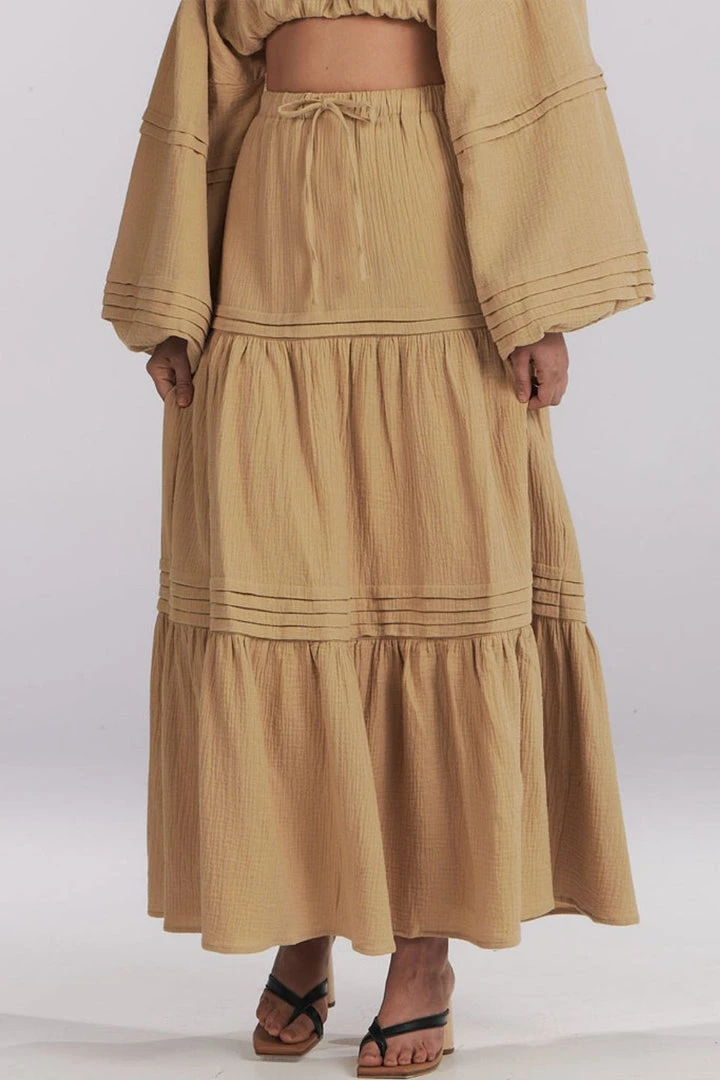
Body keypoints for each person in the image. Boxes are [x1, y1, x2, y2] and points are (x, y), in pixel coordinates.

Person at [102, 3, 654, 1077]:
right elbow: (203, 78)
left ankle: (424, 953)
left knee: (436, 577)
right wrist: (175, 299)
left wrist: (538, 305)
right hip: (270, 248)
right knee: (279, 577)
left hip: (435, 238)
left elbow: (530, 64)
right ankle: (300, 915)